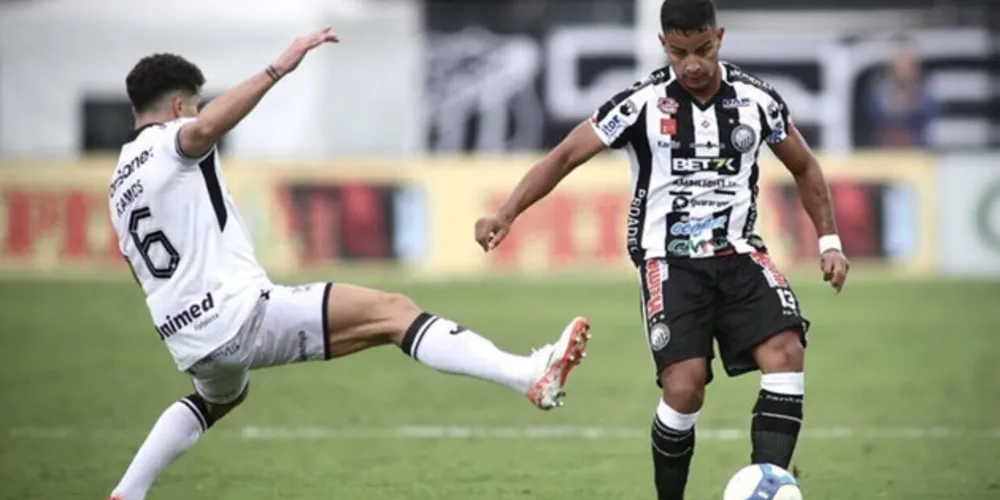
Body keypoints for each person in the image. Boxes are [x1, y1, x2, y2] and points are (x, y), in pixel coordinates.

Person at [106, 27, 591, 500]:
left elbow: (138, 270)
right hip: (236, 314)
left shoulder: (118, 187)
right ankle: (528, 374)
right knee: (395, 312)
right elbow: (208, 127)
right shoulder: (172, 142)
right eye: (193, 105)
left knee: (219, 398)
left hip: (184, 334)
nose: (197, 116)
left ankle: (127, 492)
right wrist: (280, 66)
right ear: (177, 108)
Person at [474, 1, 850, 498]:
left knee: (786, 352)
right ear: (662, 45)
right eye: (679, 52)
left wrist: (829, 241)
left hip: (740, 255)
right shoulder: (641, 103)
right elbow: (565, 155)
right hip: (669, 263)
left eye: (702, 50)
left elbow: (804, 166)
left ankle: (768, 486)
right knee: (684, 386)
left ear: (720, 37)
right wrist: (506, 213)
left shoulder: (757, 100)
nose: (692, 64)